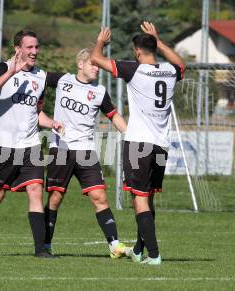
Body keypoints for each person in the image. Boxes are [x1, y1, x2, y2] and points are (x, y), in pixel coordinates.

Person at [91, 21, 185, 265]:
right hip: (162, 145)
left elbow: (95, 58)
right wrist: (158, 39)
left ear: (137, 51)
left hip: (138, 144)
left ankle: (153, 255)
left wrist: (101, 42)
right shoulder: (170, 71)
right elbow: (181, 64)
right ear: (154, 47)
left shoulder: (134, 69)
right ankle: (139, 250)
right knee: (148, 196)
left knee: (139, 198)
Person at [0, 30, 63, 258]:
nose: (34, 51)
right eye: (29, 47)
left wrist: (51, 122)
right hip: (3, 146)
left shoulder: (41, 76)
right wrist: (11, 72)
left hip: (30, 145)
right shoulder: (3, 68)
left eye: (36, 47)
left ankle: (40, 250)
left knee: (35, 191)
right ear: (18, 49)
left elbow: (36, 114)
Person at [43, 48, 128, 258]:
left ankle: (114, 245)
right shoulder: (62, 80)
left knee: (99, 197)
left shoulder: (99, 91)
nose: (97, 68)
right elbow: (35, 79)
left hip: (86, 151)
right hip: (60, 149)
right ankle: (44, 245)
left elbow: (114, 116)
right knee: (55, 198)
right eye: (93, 64)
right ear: (80, 64)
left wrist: (132, 135)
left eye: (98, 65)